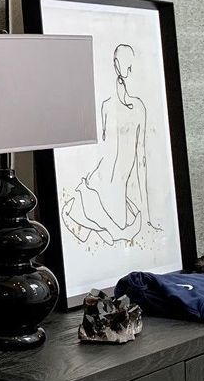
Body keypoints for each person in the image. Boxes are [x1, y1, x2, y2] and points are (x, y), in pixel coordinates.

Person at [61, 43, 160, 246]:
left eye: (132, 67)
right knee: (105, 227)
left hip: (117, 184)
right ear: (117, 66)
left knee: (119, 228)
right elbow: (104, 149)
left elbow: (141, 159)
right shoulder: (107, 106)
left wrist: (148, 214)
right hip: (105, 180)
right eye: (129, 67)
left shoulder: (139, 107)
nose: (131, 72)